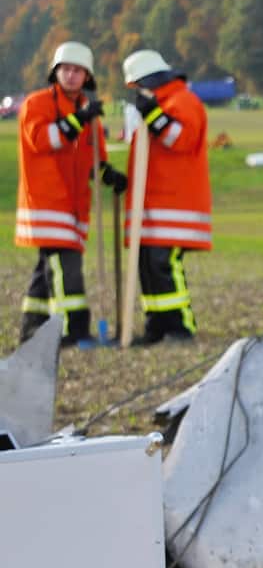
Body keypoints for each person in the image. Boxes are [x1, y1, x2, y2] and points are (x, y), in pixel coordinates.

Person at [14, 41, 126, 345]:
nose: (71, 76)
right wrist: (81, 118)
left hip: (75, 206)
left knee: (47, 269)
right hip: (47, 203)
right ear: (55, 72)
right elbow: (44, 139)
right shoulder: (37, 104)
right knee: (67, 268)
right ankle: (73, 332)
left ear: (87, 76)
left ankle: (32, 328)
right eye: (66, 70)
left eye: (78, 71)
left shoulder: (87, 114)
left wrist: (108, 175)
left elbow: (93, 159)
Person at [122, 49, 211, 343]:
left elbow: (181, 140)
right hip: (153, 205)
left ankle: (179, 327)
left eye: (138, 85)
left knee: (163, 264)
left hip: (175, 204)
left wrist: (155, 116)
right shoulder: (161, 103)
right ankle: (157, 326)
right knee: (148, 266)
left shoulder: (183, 101)